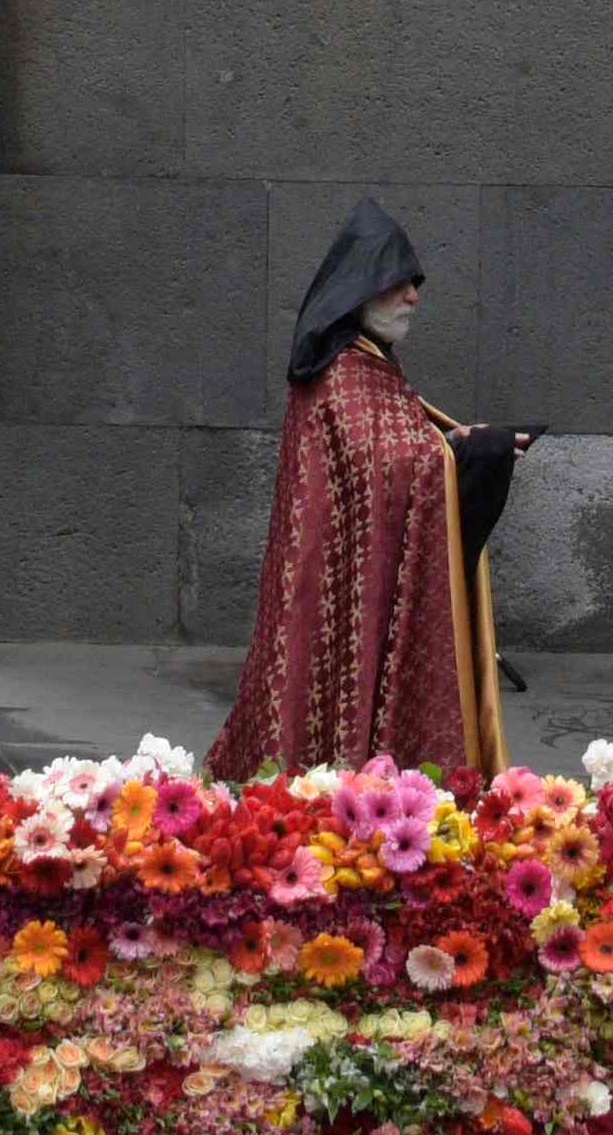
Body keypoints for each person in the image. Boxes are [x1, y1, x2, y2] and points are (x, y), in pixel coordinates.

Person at [209, 201, 524, 776]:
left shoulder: (372, 367)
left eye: (414, 285)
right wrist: (470, 452)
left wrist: (461, 444)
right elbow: (389, 467)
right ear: (361, 288)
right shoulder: (341, 375)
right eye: (401, 283)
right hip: (334, 584)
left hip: (355, 577)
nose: (414, 298)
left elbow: (398, 453)